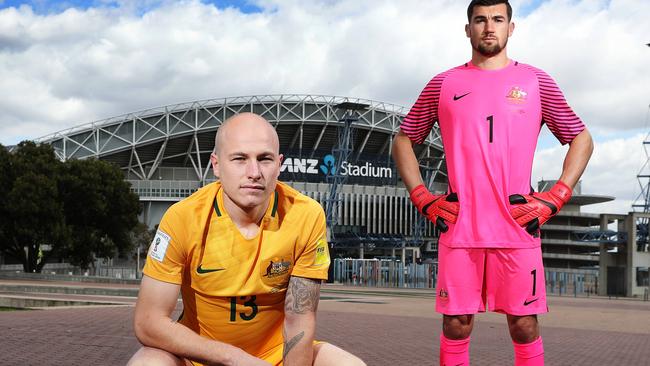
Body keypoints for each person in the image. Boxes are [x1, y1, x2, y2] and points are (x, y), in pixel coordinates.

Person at [391, 1, 593, 365]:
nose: (489, 27)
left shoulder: (536, 81)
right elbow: (404, 139)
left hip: (517, 227)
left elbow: (581, 138)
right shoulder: (443, 83)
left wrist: (555, 198)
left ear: (510, 28)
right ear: (467, 29)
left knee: (524, 325)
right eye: (480, 20)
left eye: (498, 20)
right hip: (460, 227)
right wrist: (422, 196)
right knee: (456, 324)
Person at [128, 112, 365, 366]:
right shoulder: (183, 218)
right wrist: (235, 359)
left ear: (279, 164)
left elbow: (300, 318)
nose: (254, 172)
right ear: (216, 165)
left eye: (264, 159)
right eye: (240, 159)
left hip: (276, 358)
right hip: (198, 358)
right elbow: (148, 322)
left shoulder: (305, 215)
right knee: (147, 363)